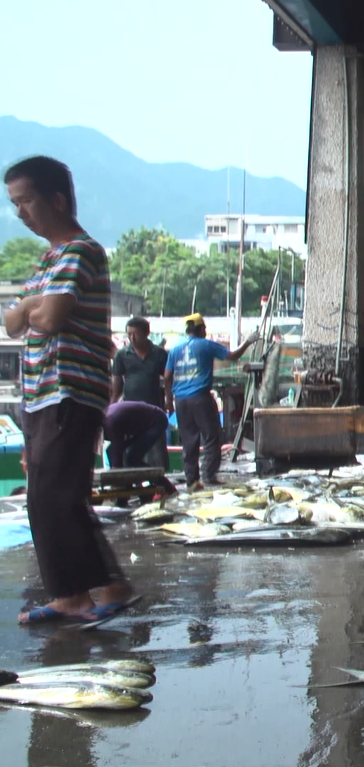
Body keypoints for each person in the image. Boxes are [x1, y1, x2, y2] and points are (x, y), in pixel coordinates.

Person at [4, 155, 134, 624]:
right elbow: (14, 322)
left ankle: (73, 596)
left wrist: (34, 306)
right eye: (14, 203)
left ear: (56, 200)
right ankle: (106, 586)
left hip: (68, 389)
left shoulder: (80, 250)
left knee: (51, 497)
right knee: (55, 495)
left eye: (26, 201)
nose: (20, 212)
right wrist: (33, 304)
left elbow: (49, 318)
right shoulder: (47, 260)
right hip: (43, 394)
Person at [164, 313, 257, 490]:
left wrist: (169, 401)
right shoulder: (206, 345)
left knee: (189, 439)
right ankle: (208, 475)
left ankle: (192, 480)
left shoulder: (175, 349)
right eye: (204, 328)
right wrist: (248, 342)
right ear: (200, 329)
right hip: (200, 397)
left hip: (181, 401)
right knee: (212, 435)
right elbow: (233, 356)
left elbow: (167, 376)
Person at [112, 316, 169, 467]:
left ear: (146, 333)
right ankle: (131, 481)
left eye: (135, 334)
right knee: (130, 450)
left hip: (153, 409)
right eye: (129, 334)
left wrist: (170, 400)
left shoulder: (159, 354)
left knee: (156, 449)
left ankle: (158, 483)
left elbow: (168, 379)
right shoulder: (122, 355)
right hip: (129, 410)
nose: (132, 338)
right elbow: (116, 383)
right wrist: (112, 406)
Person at [104, 400, 169, 469]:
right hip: (141, 424)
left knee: (132, 459)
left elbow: (117, 458)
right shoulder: (106, 418)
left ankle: (159, 478)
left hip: (156, 421)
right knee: (111, 450)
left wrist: (116, 470)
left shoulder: (110, 423)